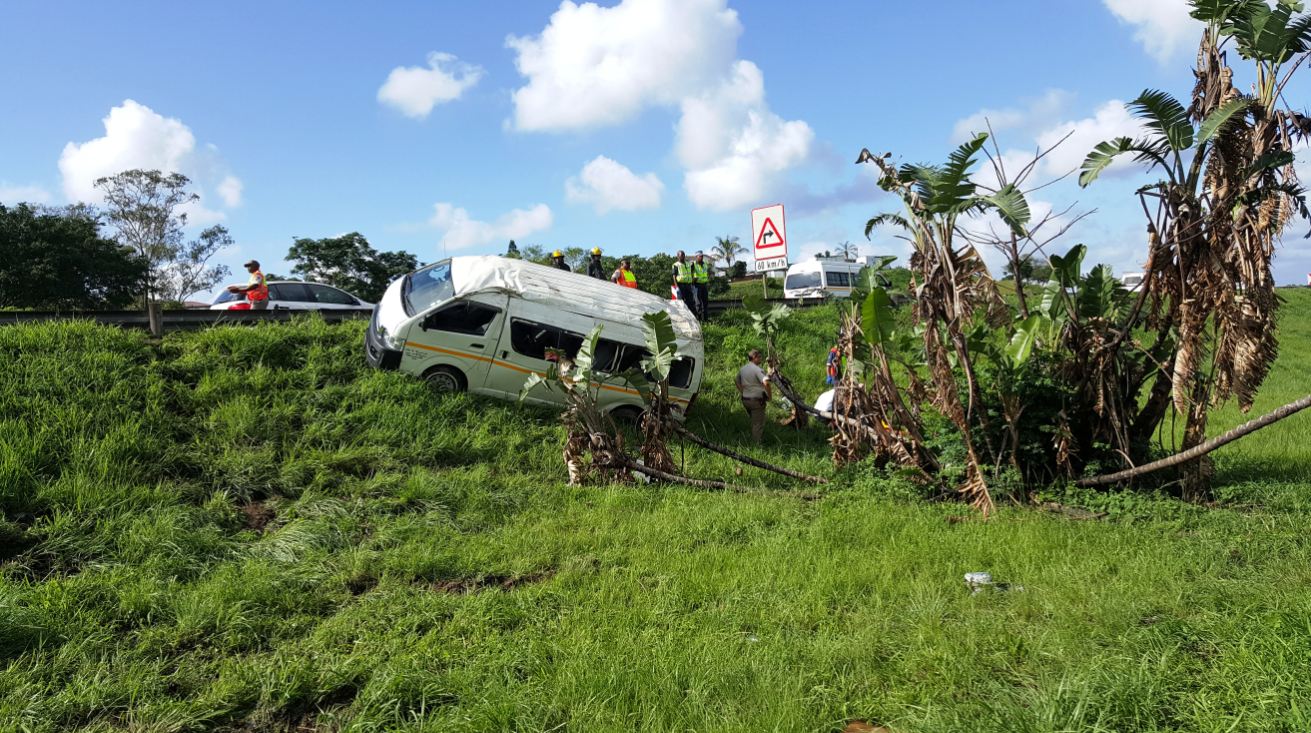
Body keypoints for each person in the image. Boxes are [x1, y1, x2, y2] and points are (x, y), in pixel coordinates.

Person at [735, 349, 772, 443]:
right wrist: (769, 396)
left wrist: (742, 391)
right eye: (759, 357)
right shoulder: (758, 369)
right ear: (754, 357)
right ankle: (756, 446)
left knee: (754, 420)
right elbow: (766, 383)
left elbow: (736, 380)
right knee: (758, 424)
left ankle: (751, 437)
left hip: (745, 399)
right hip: (756, 401)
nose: (761, 359)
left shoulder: (743, 368)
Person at [692, 252, 710, 320]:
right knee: (698, 303)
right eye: (700, 256)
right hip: (697, 285)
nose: (701, 257)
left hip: (704, 285)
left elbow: (706, 273)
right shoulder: (693, 264)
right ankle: (699, 320)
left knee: (705, 302)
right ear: (696, 257)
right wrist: (692, 280)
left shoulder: (705, 264)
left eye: (702, 256)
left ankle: (706, 319)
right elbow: (689, 273)